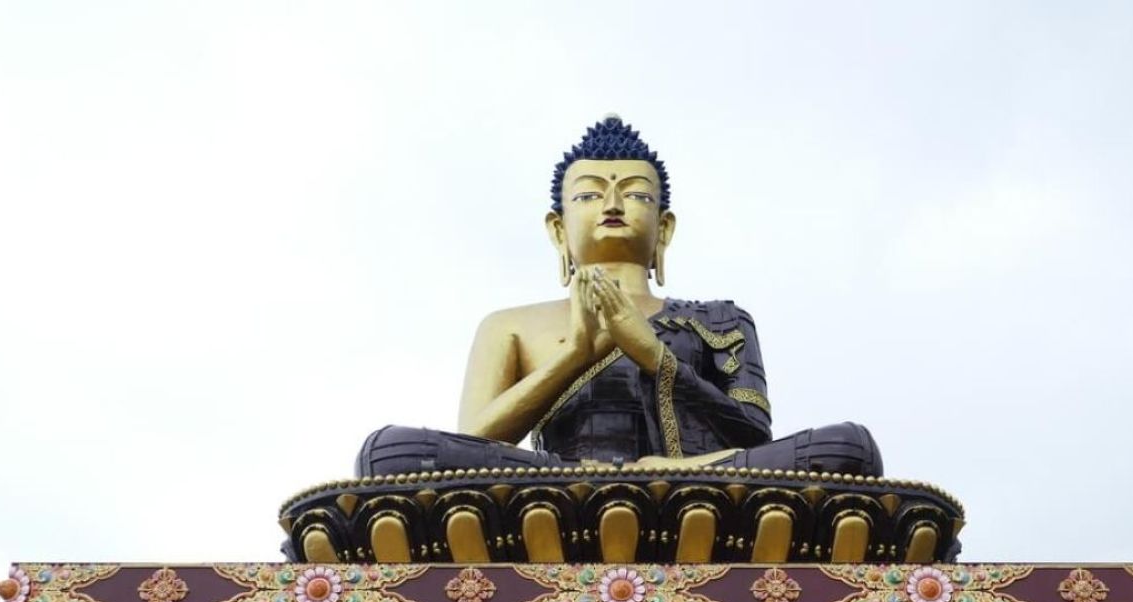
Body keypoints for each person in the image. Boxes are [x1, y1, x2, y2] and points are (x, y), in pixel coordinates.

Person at [356, 115, 881, 478]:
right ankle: (632, 484)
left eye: (635, 193)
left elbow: (754, 436)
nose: (611, 204)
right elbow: (475, 443)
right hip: (559, 484)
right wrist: (577, 355)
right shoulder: (509, 325)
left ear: (665, 228)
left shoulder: (721, 319)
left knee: (847, 448)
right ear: (559, 231)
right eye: (588, 194)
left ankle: (677, 477)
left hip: (695, 485)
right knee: (393, 453)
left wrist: (653, 355)